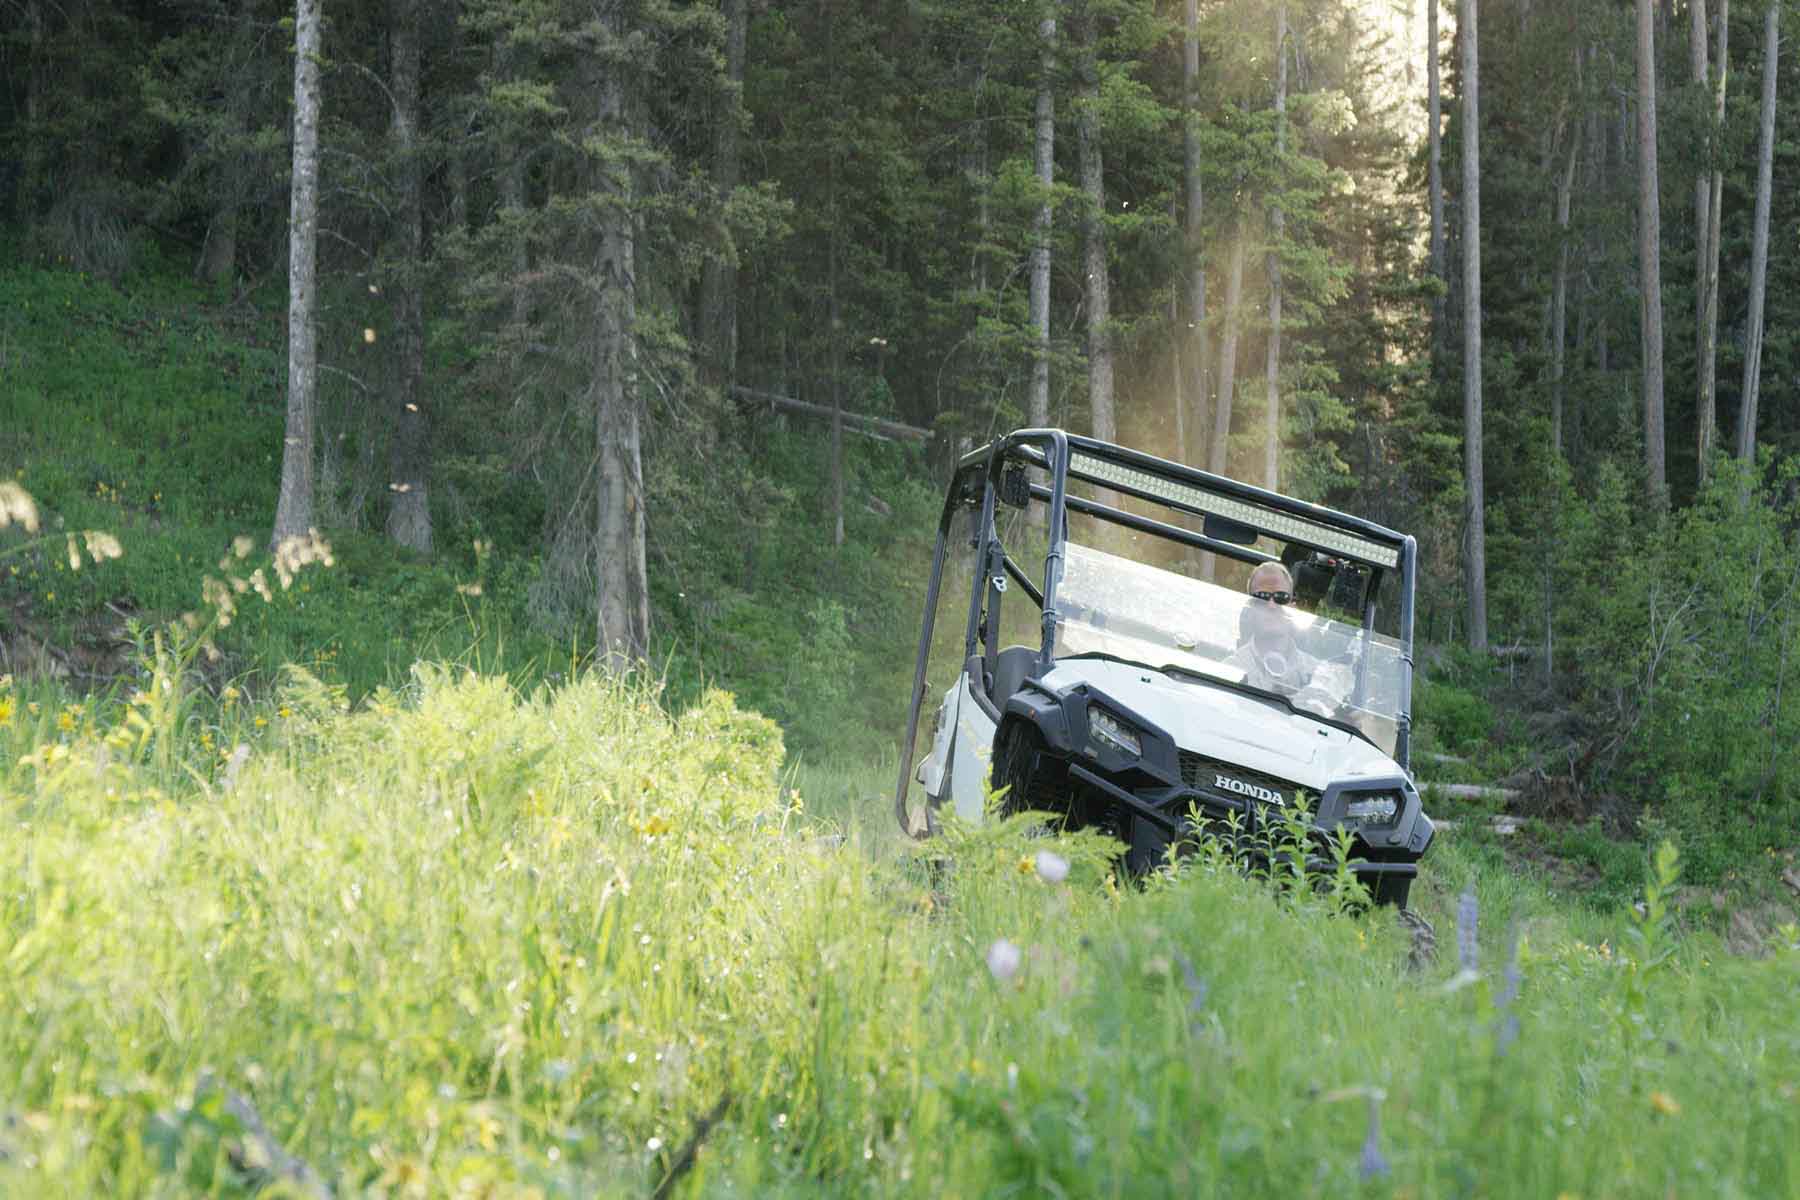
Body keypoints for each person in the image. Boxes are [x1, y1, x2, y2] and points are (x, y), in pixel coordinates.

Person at [1227, 562, 1317, 695]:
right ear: (1250, 608)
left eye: (1281, 597)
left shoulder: (1314, 672)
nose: (1271, 605)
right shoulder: (1230, 669)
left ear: (1292, 606)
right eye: (1262, 597)